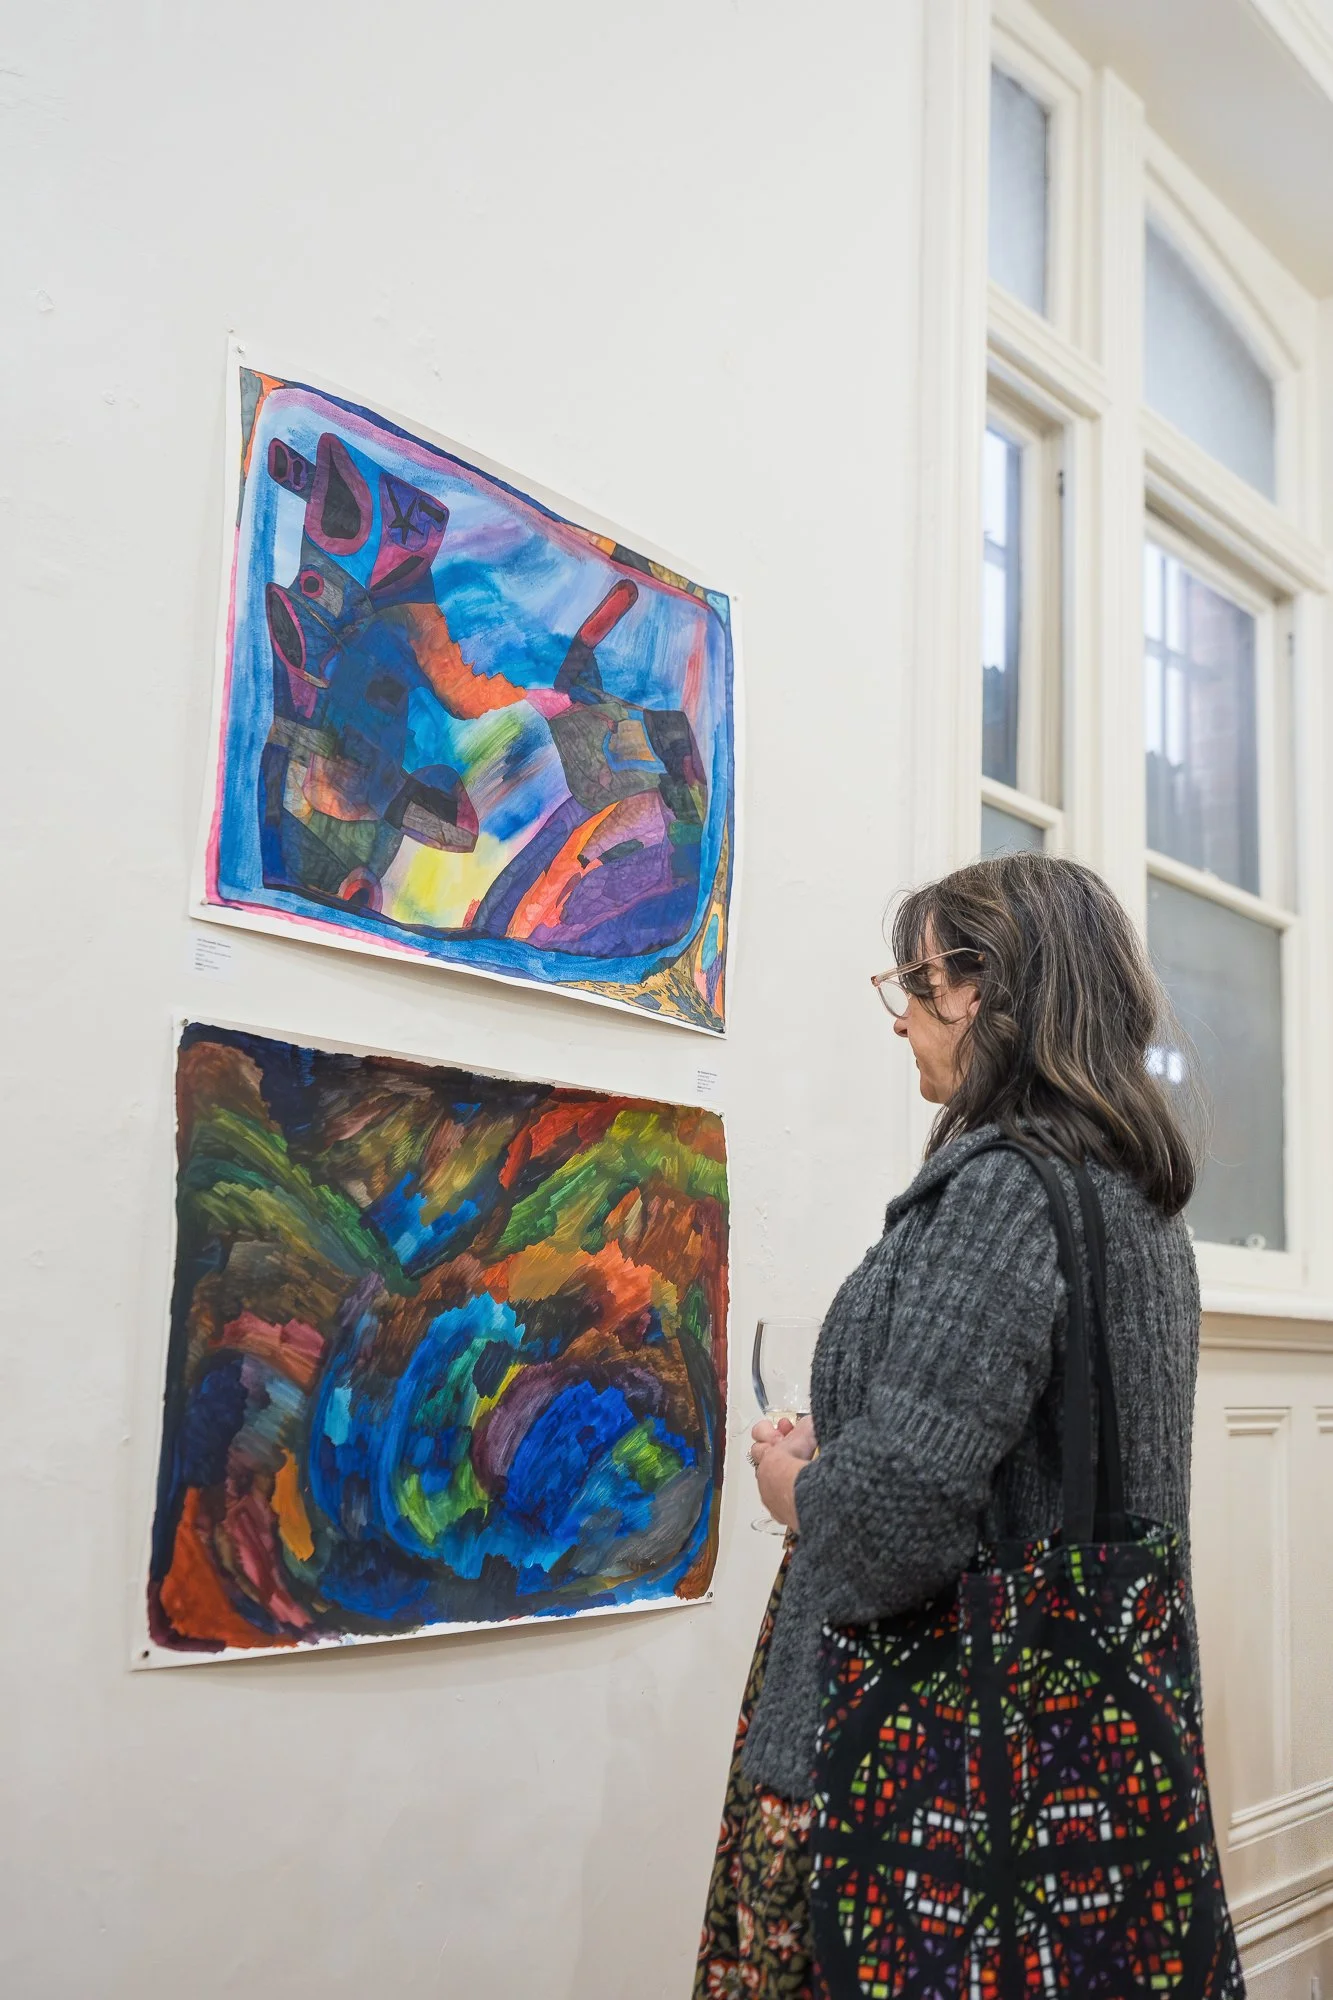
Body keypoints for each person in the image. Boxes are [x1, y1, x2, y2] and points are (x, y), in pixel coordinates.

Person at [694, 852, 1203, 2000]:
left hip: (924, 1780)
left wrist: (799, 1488)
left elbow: (887, 1529)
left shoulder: (1003, 1189)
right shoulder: (1134, 1193)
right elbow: (1007, 1451)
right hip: (1090, 1769)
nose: (905, 1020)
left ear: (994, 993)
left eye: (920, 986)